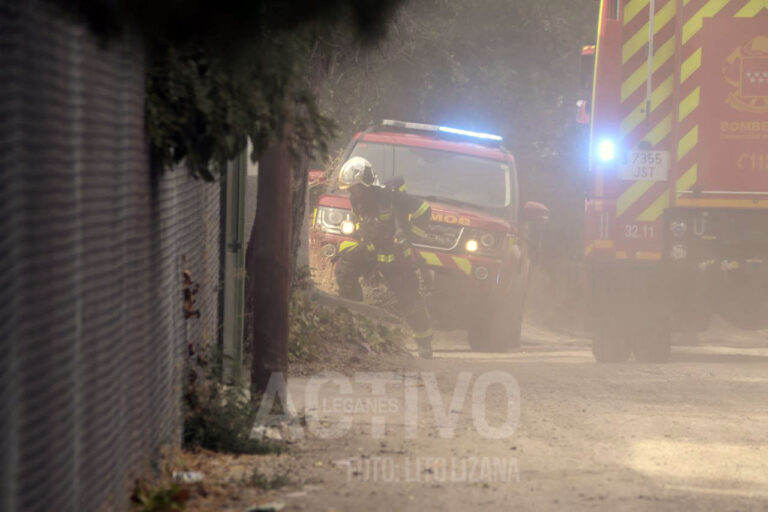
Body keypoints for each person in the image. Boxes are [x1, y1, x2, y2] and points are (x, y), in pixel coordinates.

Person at [334, 157, 434, 358]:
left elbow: (424, 210)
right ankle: (354, 326)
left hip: (397, 257)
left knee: (409, 299)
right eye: (349, 189)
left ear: (366, 183)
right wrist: (360, 233)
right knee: (345, 268)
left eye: (355, 188)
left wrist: (410, 236)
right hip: (372, 250)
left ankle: (424, 344)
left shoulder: (390, 197)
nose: (351, 192)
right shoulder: (356, 200)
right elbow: (362, 223)